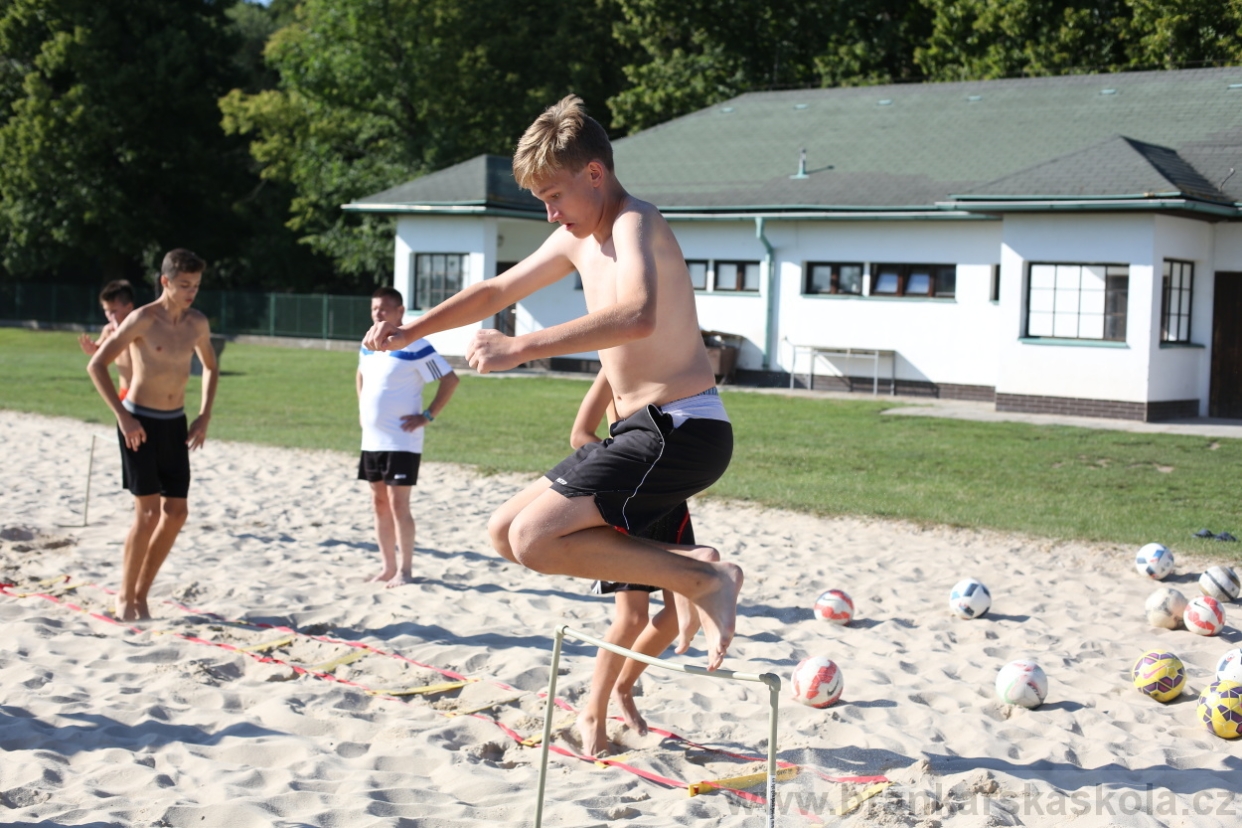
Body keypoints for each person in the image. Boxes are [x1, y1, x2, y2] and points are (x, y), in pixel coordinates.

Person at [363, 95, 742, 671]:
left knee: (536, 539)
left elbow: (637, 315)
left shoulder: (636, 220)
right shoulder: (576, 239)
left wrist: (520, 347)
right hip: (638, 432)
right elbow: (495, 292)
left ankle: (702, 576)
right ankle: (694, 563)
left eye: (553, 197)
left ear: (594, 174)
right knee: (504, 532)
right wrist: (413, 326)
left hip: (682, 428)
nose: (550, 215)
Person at [571, 369, 715, 755]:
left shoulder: (681, 366)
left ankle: (624, 685)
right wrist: (614, 471)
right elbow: (580, 434)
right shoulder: (615, 366)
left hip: (669, 501)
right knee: (632, 617)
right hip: (628, 497)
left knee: (676, 615)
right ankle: (593, 714)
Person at [86, 250, 218, 621]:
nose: (191, 292)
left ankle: (142, 593)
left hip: (175, 422)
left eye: (196, 285)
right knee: (147, 514)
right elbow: (96, 365)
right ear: (165, 282)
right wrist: (123, 417)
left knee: (176, 512)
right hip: (139, 422)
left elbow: (210, 366)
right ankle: (125, 597)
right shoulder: (142, 318)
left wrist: (204, 415)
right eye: (184, 285)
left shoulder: (196, 322)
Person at [357, 287, 460, 587]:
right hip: (372, 438)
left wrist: (427, 415)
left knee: (398, 504)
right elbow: (361, 375)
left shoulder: (415, 345)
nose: (378, 313)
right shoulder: (367, 344)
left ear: (400, 312)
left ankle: (405, 570)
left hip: (402, 439)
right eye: (375, 308)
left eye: (385, 309)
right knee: (378, 503)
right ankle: (387, 567)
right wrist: (362, 409)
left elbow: (450, 380)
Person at [78, 280, 137, 400]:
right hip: (125, 390)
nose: (110, 315)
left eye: (114, 311)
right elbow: (100, 349)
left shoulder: (138, 328)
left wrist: (120, 331)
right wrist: (93, 348)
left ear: (129, 307)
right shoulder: (109, 331)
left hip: (143, 393)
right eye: (106, 310)